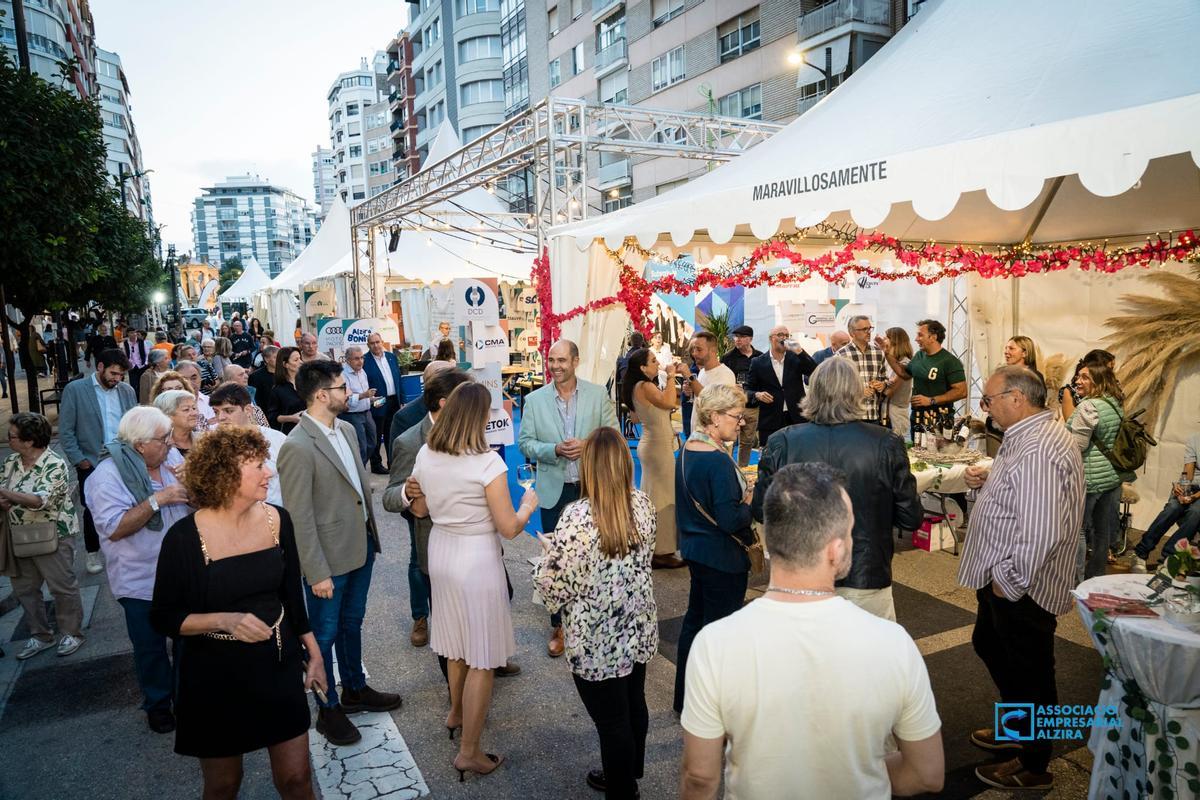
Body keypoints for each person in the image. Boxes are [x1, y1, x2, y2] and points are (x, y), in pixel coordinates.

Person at [680, 462, 944, 800]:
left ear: (771, 539)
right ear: (835, 549)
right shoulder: (894, 643)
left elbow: (700, 777)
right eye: (849, 532)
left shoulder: (714, 644)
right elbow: (927, 773)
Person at [150, 428, 322, 798]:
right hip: (214, 677)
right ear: (225, 473)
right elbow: (163, 616)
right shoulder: (183, 538)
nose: (269, 473)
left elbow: (292, 594)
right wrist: (224, 620)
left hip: (277, 667)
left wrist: (314, 652)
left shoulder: (278, 520)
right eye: (258, 466)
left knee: (297, 779)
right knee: (224, 785)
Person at [957, 366, 1083, 790]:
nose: (984, 407)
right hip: (1008, 577)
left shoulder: (1039, 449)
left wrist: (1008, 581)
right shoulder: (1028, 437)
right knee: (992, 645)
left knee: (1029, 673)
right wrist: (988, 479)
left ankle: (1033, 765)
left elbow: (1042, 528)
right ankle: (1016, 729)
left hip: (1021, 584)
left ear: (1016, 398)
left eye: (989, 399)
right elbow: (1024, 499)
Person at [408, 382, 538, 780]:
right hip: (476, 558)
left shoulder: (427, 453)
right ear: (479, 417)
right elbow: (509, 528)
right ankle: (470, 752)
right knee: (481, 655)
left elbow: (419, 508)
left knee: (456, 643)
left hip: (443, 552)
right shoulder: (487, 464)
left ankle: (455, 712)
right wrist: (528, 505)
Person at [277, 360, 399, 747]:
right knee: (324, 636)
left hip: (359, 546)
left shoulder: (345, 429)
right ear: (321, 395)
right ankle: (328, 709)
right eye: (342, 387)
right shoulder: (296, 446)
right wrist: (316, 572)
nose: (349, 393)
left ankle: (355, 689)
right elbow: (299, 517)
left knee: (352, 623)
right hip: (328, 561)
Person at [535, 427, 658, 800]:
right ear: (624, 462)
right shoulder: (643, 504)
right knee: (634, 703)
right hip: (635, 626)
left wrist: (548, 556)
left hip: (596, 638)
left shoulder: (577, 517)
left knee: (611, 720)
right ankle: (628, 772)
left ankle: (622, 788)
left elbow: (555, 587)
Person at [752, 358, 923, 620]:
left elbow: (762, 511)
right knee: (869, 657)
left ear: (813, 392)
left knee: (806, 658)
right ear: (856, 392)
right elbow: (910, 517)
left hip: (800, 575)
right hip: (865, 573)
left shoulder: (782, 441)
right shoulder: (885, 442)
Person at [86, 406, 193, 732]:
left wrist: (196, 487)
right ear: (139, 445)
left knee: (189, 643)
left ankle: (186, 698)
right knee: (151, 648)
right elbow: (114, 527)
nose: (171, 445)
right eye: (164, 440)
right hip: (141, 580)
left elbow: (195, 505)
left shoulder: (171, 461)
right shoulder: (105, 477)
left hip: (183, 573)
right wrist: (159, 499)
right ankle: (158, 704)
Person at [518, 339, 618, 657]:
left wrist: (588, 444)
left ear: (576, 361)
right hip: (554, 491)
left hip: (591, 488)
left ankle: (591, 618)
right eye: (551, 359)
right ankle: (559, 625)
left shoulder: (597, 394)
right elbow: (525, 443)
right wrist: (554, 450)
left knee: (595, 553)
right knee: (556, 557)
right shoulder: (534, 400)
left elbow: (612, 433)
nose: (556, 365)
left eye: (562, 360)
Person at [673, 383, 754, 714]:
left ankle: (686, 699)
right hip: (722, 557)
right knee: (721, 636)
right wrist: (752, 498)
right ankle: (714, 710)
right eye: (736, 416)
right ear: (715, 416)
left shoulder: (688, 449)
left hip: (696, 550)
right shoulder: (717, 462)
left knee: (695, 624)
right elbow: (731, 519)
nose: (741, 422)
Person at [383, 369, 473, 650]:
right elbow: (388, 496)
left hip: (474, 541)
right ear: (445, 403)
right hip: (436, 544)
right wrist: (407, 494)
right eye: (465, 398)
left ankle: (487, 659)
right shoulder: (410, 441)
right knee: (450, 623)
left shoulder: (469, 430)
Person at [3, 412, 86, 660]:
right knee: (25, 589)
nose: (9, 440)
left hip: (53, 535)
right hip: (18, 535)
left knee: (61, 586)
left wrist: (7, 494)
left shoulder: (54, 463)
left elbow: (40, 500)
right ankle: (40, 635)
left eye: (13, 436)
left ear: (29, 441)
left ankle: (72, 632)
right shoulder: (10, 463)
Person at [59, 348, 137, 575]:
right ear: (100, 366)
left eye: (121, 375)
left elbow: (134, 423)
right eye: (113, 373)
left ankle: (126, 549)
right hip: (91, 460)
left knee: (128, 503)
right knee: (92, 508)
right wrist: (79, 460)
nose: (117, 379)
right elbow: (66, 430)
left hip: (123, 457)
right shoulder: (76, 390)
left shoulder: (126, 391)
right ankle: (92, 552)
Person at [621, 347, 685, 569]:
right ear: (642, 367)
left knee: (653, 496)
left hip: (650, 444)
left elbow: (637, 419)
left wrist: (661, 423)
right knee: (664, 499)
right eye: (653, 361)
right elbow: (669, 403)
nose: (657, 363)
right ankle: (662, 551)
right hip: (657, 448)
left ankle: (655, 547)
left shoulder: (636, 387)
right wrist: (670, 375)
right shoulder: (646, 386)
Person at [1066, 361, 1125, 581]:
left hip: (1089, 477)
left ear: (1098, 381)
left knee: (1078, 530)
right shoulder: (1114, 403)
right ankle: (1096, 576)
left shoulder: (1088, 407)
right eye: (1078, 377)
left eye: (1084, 377)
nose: (1078, 381)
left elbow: (1077, 446)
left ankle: (1076, 579)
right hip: (1110, 476)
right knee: (1102, 530)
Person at [881, 319, 966, 435]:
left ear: (933, 337)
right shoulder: (919, 356)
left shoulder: (950, 361)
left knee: (936, 452)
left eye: (920, 335)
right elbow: (904, 374)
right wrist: (887, 354)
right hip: (917, 417)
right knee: (917, 450)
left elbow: (961, 391)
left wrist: (931, 400)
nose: (916, 339)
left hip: (939, 420)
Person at [210, 383, 286, 506]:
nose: (221, 417)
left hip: (275, 513)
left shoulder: (277, 439)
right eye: (216, 412)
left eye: (228, 411)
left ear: (248, 410)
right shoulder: (211, 443)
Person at [744, 325, 817, 445]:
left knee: (799, 452)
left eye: (787, 336)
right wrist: (757, 395)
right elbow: (747, 390)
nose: (784, 338)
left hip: (797, 417)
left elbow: (814, 371)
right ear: (771, 338)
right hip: (770, 419)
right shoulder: (758, 362)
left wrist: (800, 352)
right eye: (780, 335)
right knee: (772, 456)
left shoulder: (796, 358)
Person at [720, 325, 762, 467]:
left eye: (741, 337)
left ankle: (742, 469)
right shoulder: (727, 358)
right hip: (733, 406)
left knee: (747, 441)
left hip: (752, 406)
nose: (737, 340)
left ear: (750, 339)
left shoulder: (760, 357)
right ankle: (727, 467)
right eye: (736, 337)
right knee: (728, 439)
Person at [835, 315, 889, 424]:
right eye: (864, 329)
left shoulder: (878, 353)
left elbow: (884, 379)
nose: (868, 332)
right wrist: (858, 392)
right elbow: (834, 387)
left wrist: (882, 385)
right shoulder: (841, 355)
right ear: (852, 333)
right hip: (849, 416)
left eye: (869, 328)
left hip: (873, 415)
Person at [682, 332, 738, 436]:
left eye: (699, 349)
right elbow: (701, 396)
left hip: (714, 438)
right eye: (693, 349)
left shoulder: (725, 374)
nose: (694, 353)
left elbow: (712, 402)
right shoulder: (703, 371)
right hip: (699, 433)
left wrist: (690, 377)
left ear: (713, 351)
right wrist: (691, 390)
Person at [363, 332, 403, 474]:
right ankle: (376, 464)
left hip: (393, 401)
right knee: (376, 434)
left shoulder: (391, 357)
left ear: (382, 342)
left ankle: (392, 463)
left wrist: (401, 400)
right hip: (378, 401)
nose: (376, 345)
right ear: (368, 345)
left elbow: (398, 379)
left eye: (377, 342)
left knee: (391, 434)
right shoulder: (365, 361)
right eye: (372, 343)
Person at [339, 346, 378, 464]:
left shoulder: (362, 372)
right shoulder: (343, 375)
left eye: (362, 358)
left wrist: (372, 399)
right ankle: (359, 474)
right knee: (361, 447)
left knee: (373, 442)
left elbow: (365, 395)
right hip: (352, 415)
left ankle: (360, 468)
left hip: (367, 412)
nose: (360, 361)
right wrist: (364, 395)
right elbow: (346, 399)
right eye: (356, 358)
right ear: (348, 360)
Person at [1058, 349, 1115, 421]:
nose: (1112, 373)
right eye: (1109, 369)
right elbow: (1071, 425)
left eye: (1112, 369)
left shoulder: (1112, 388)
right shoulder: (1070, 392)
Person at [882, 327, 914, 439]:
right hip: (887, 411)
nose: (883, 340)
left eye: (886, 338)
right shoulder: (888, 361)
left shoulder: (905, 363)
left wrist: (880, 385)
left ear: (895, 341)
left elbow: (890, 391)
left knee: (897, 448)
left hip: (897, 413)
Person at [153, 390, 200, 459]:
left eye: (194, 408)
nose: (194, 413)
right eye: (186, 409)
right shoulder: (158, 446)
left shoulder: (203, 441)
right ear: (168, 415)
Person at [268, 347, 304, 434]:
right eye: (296, 360)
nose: (301, 362)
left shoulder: (308, 383)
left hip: (311, 431)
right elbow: (272, 416)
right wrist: (291, 418)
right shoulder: (278, 389)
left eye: (300, 358)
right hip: (291, 434)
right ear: (285, 364)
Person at [174, 361, 214, 432]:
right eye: (184, 379)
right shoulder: (170, 406)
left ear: (201, 378)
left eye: (194, 378)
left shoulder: (211, 403)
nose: (189, 383)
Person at [123, 329, 150, 395]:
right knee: (133, 384)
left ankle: (143, 396)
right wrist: (128, 364)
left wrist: (145, 363)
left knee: (143, 383)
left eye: (135, 333)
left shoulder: (142, 342)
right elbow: (124, 354)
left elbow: (147, 353)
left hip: (142, 365)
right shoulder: (125, 343)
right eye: (131, 333)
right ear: (128, 334)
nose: (134, 334)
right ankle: (136, 398)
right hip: (132, 366)